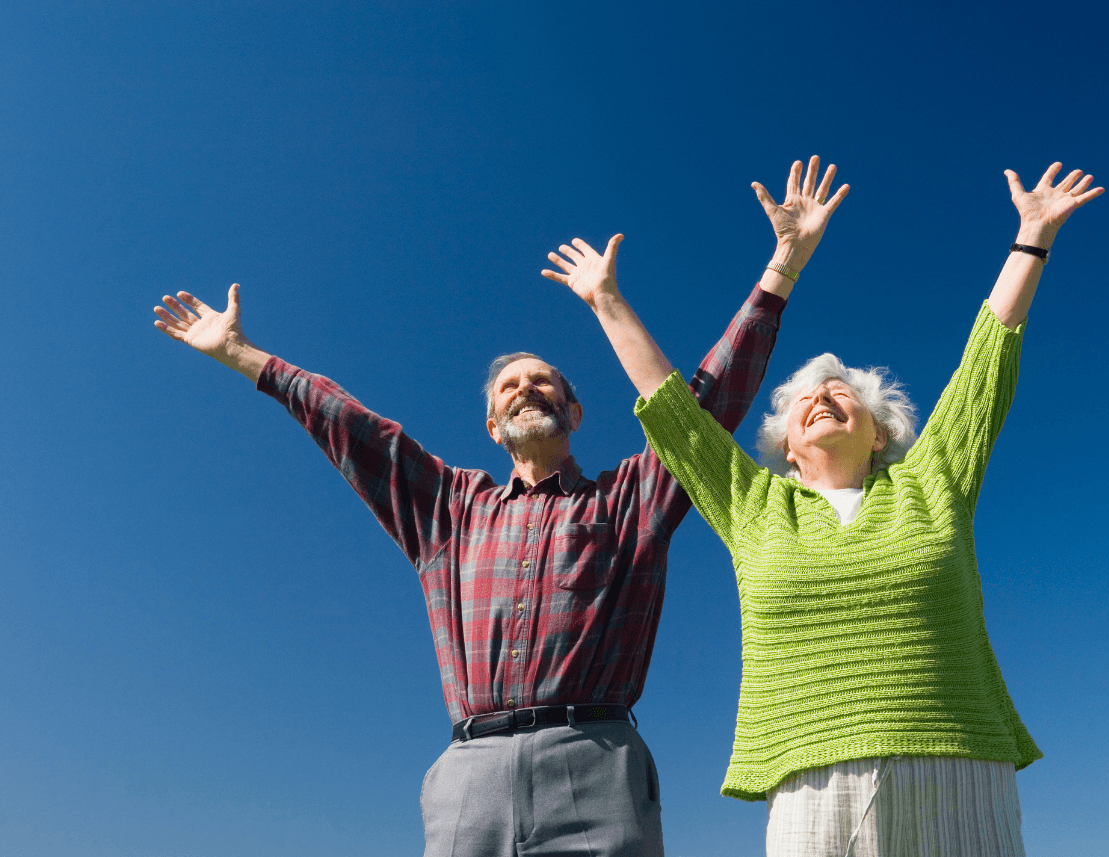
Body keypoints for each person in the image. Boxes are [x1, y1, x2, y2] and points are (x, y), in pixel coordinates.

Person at [151, 156, 848, 857]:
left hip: (596, 762)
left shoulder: (630, 499)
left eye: (545, 382)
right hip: (470, 780)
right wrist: (246, 356)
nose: (527, 389)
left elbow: (703, 404)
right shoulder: (449, 509)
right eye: (511, 385)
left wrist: (780, 269)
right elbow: (354, 426)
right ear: (491, 424)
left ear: (575, 411)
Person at [552, 162, 1103, 856]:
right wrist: (605, 297)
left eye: (844, 392)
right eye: (803, 398)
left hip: (960, 766)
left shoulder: (933, 480)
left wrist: (1032, 238)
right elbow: (672, 412)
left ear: (883, 432)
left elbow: (984, 363)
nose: (822, 395)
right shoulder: (754, 504)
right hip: (812, 783)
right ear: (785, 442)